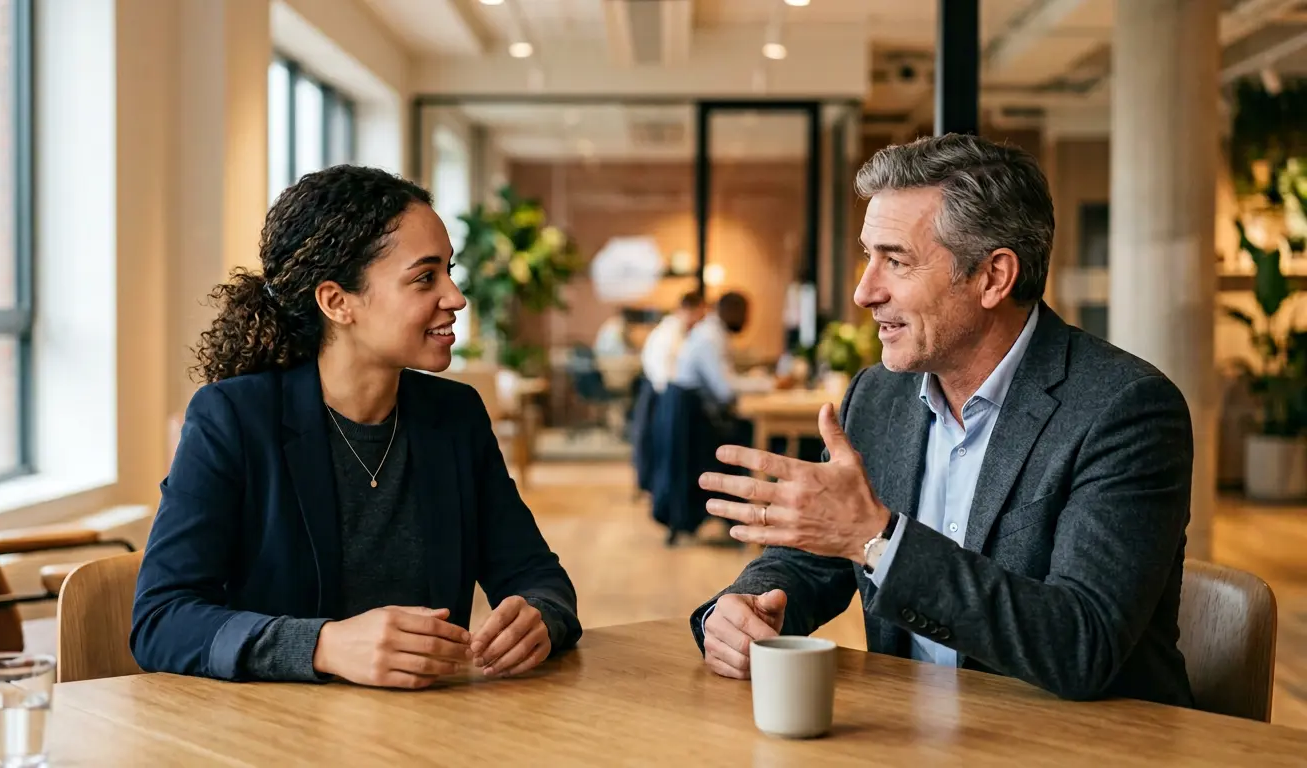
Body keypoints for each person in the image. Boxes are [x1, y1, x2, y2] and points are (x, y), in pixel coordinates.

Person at [689, 133, 1196, 708]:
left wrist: (876, 540)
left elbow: (1082, 644)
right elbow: (815, 554)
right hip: (914, 738)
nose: (863, 291)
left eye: (896, 261)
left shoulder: (1125, 410)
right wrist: (744, 608)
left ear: (993, 277)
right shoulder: (878, 397)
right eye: (867, 256)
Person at [131, 166, 582, 689]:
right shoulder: (231, 418)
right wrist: (323, 645)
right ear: (337, 302)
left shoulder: (454, 416)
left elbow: (537, 576)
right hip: (270, 737)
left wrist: (539, 617)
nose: (456, 298)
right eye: (424, 277)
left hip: (434, 731)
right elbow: (160, 620)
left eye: (449, 272)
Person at [640, 290, 706, 394]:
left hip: (663, 391)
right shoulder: (671, 334)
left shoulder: (669, 328)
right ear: (690, 311)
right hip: (667, 393)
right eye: (701, 315)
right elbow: (668, 377)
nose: (701, 321)